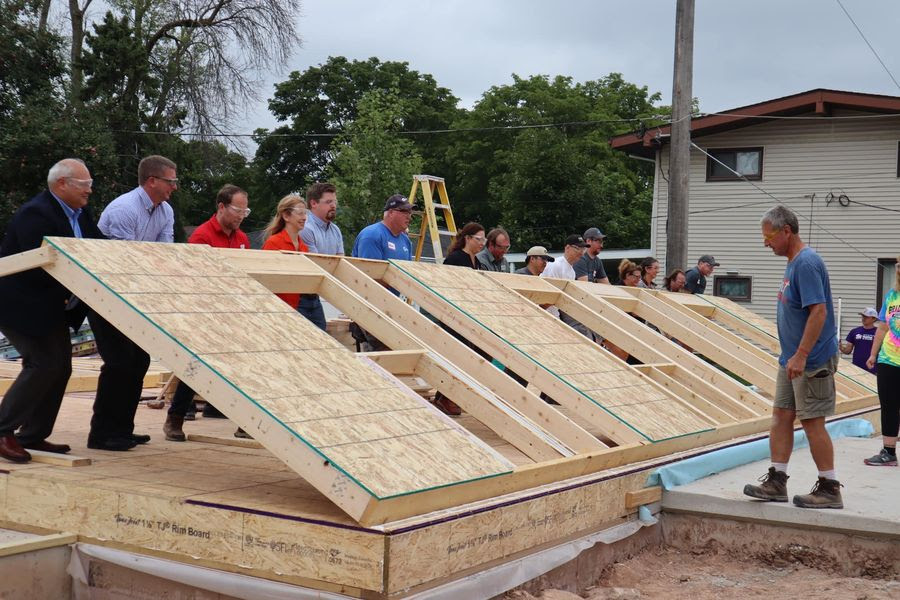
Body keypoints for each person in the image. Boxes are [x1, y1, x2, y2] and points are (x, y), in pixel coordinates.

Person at [0, 159, 104, 463]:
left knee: (61, 367)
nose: (90, 190)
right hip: (20, 304)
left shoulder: (81, 214)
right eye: (84, 185)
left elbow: (97, 247)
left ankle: (32, 435)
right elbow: (37, 267)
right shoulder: (36, 214)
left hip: (51, 305)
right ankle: (3, 430)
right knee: (42, 363)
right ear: (62, 184)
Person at [743, 205, 842, 509]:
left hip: (810, 360)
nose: (766, 243)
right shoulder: (791, 263)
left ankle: (829, 488)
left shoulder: (807, 263)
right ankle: (777, 481)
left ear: (786, 230)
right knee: (782, 416)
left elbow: (820, 311)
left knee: (812, 421)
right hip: (791, 359)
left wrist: (801, 354)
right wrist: (790, 356)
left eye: (769, 236)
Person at [89, 155, 177, 451]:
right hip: (105, 294)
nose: (174, 187)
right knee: (118, 362)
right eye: (170, 181)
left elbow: (164, 256)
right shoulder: (124, 209)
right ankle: (101, 433)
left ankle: (123, 429)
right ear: (151, 181)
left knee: (138, 361)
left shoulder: (165, 211)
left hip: (136, 296)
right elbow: (121, 263)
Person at [163, 184, 251, 441]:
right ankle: (175, 419)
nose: (241, 216)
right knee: (194, 369)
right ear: (221, 207)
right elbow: (192, 279)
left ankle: (248, 423)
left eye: (245, 211)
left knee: (243, 369)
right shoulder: (202, 237)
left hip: (234, 312)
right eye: (237, 210)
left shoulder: (243, 239)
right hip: (205, 311)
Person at [863, 258, 900, 467]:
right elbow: (883, 327)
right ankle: (889, 452)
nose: (899, 269)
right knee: (889, 406)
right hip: (888, 359)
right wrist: (873, 354)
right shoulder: (891, 296)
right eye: (898, 265)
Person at [351, 194, 413, 261]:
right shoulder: (372, 235)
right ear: (391, 213)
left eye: (409, 213)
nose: (409, 217)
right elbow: (369, 270)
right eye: (405, 212)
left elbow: (406, 270)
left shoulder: (405, 240)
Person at [541, 235, 589, 319]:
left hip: (553, 313)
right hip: (544, 314)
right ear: (567, 248)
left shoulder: (572, 272)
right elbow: (549, 295)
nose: (581, 252)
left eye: (583, 249)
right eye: (578, 248)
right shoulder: (556, 265)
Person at [840, 308, 879, 374]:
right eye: (863, 316)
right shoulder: (854, 331)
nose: (863, 318)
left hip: (873, 368)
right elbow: (847, 351)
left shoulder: (879, 333)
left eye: (866, 317)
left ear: (874, 319)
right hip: (856, 369)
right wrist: (840, 347)